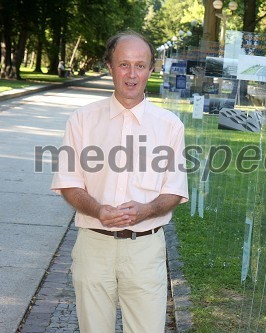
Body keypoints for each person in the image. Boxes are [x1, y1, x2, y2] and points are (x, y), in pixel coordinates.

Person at [51, 30, 189, 333]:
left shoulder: (169, 126)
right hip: (93, 247)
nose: (132, 74)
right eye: (124, 64)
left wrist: (146, 209)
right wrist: (98, 209)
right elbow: (69, 182)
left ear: (151, 70)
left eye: (140, 65)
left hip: (145, 249)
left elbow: (174, 190)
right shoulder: (82, 120)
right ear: (109, 66)